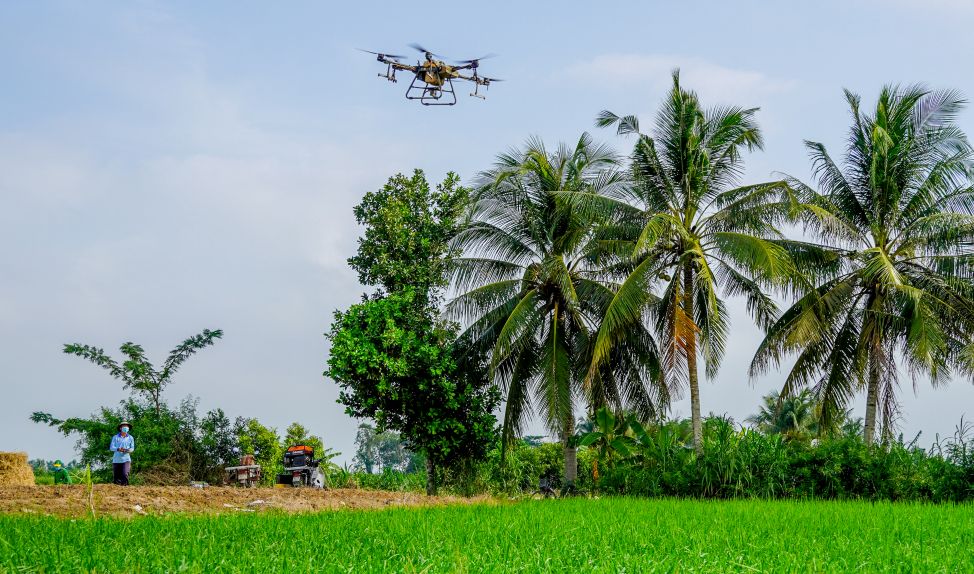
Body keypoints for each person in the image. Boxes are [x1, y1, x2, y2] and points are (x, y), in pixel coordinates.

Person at [109, 421, 135, 486]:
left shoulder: (130, 437)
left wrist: (127, 450)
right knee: (117, 478)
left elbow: (132, 448)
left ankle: (125, 489)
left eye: (127, 426)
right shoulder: (115, 437)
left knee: (125, 474)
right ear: (120, 428)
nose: (126, 427)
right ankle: (116, 490)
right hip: (116, 460)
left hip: (126, 459)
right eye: (124, 426)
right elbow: (111, 447)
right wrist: (118, 449)